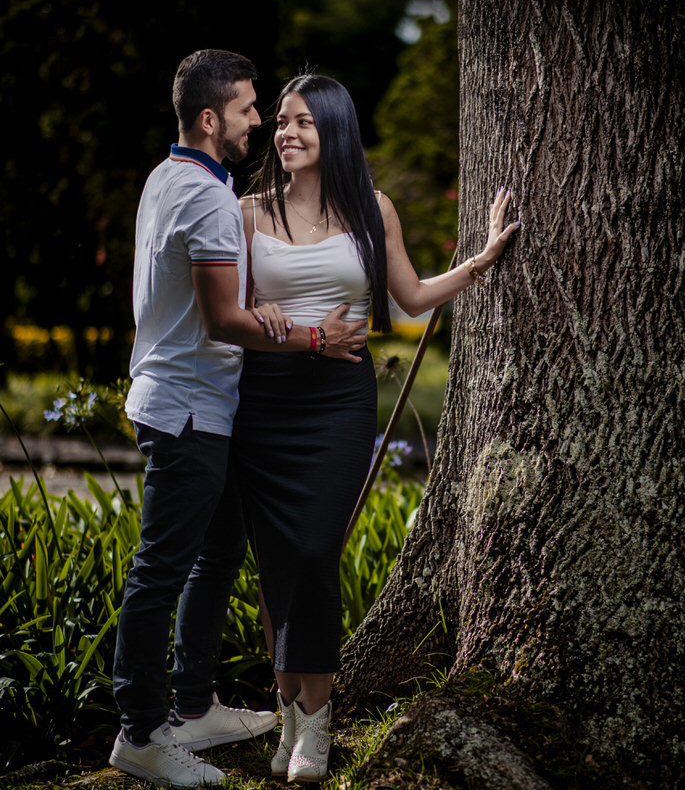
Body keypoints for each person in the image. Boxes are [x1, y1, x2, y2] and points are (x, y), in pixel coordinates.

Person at [234, 74, 520, 783]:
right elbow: (227, 310)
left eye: (302, 122)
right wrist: (272, 321)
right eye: (280, 122)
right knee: (275, 566)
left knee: (313, 550)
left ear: (333, 130)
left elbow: (413, 296)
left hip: (337, 402)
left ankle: (319, 722)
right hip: (263, 399)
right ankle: (290, 714)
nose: (286, 134)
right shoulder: (244, 213)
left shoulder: (371, 209)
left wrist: (480, 261)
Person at [110, 52, 366, 789]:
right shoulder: (212, 200)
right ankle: (141, 734)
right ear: (210, 119)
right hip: (189, 408)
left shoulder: (170, 179)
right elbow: (224, 320)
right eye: (252, 110)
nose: (261, 121)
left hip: (199, 406)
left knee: (215, 557)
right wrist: (311, 337)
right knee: (161, 570)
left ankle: (195, 706)